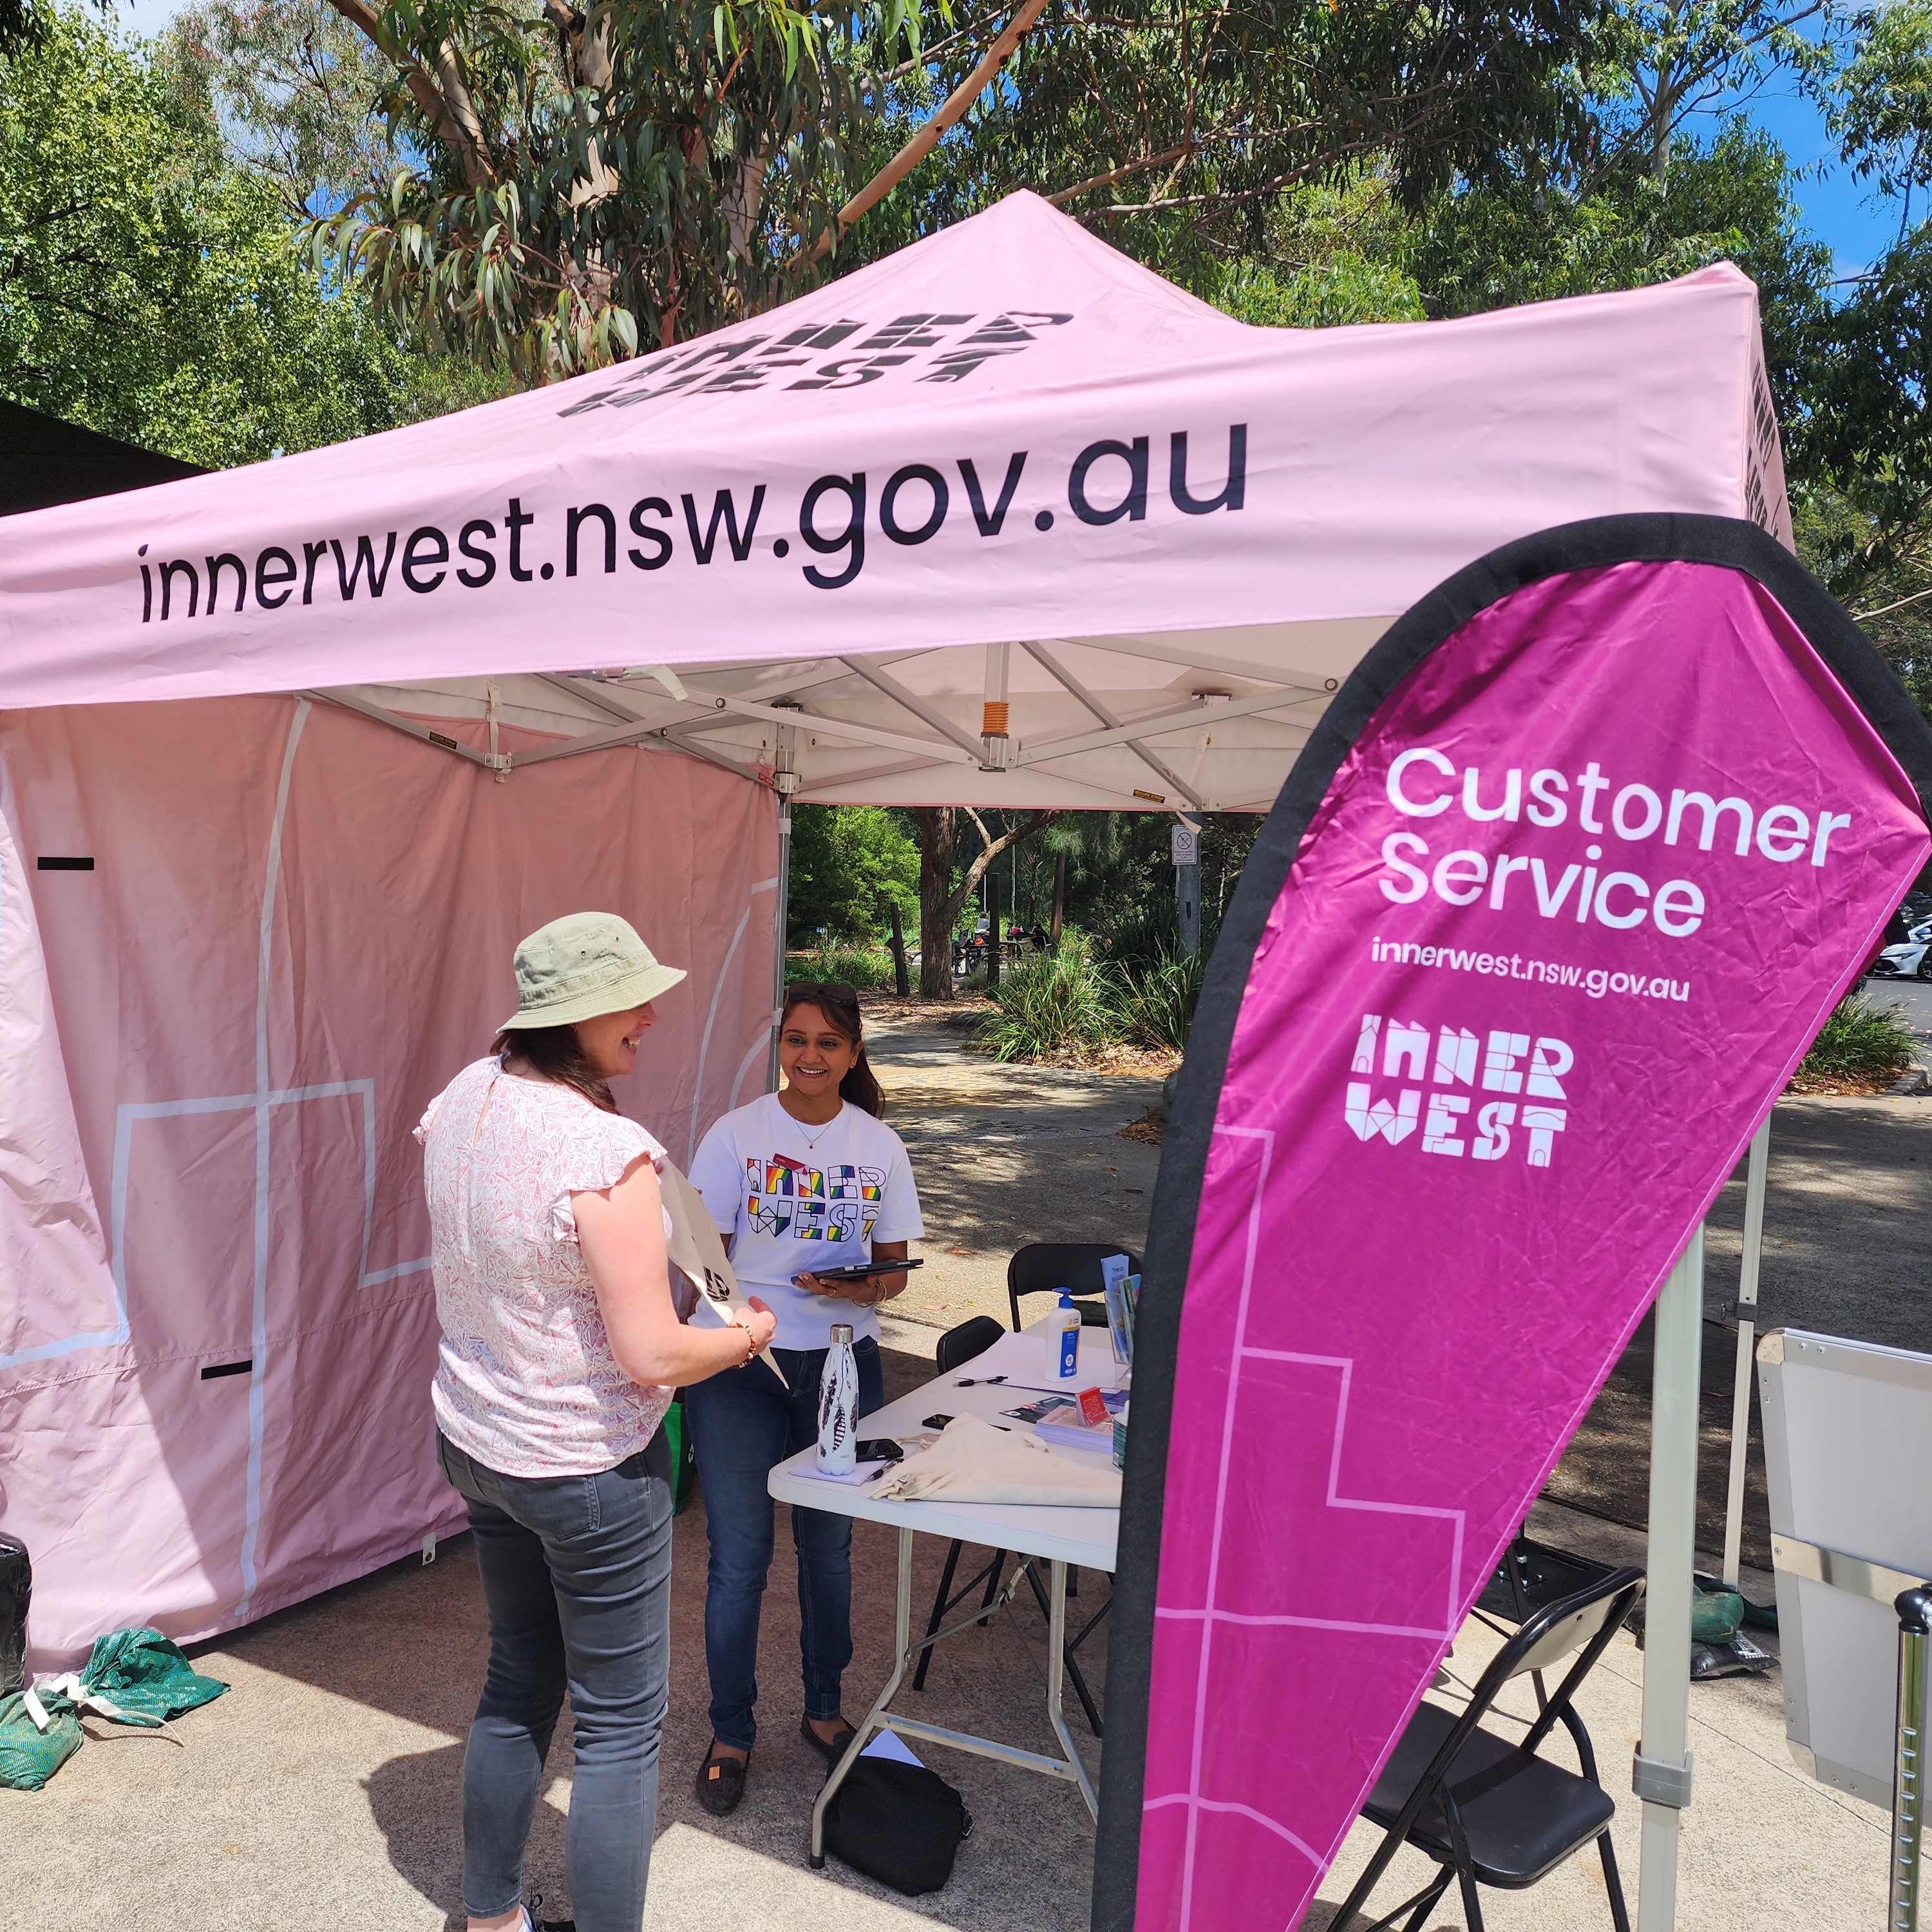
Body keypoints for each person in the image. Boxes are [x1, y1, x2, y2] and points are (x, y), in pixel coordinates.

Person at [418, 913, 779, 1932]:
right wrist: (749, 1334)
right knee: (622, 1732)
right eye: (631, 1000)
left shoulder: (462, 1096)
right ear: (574, 1016)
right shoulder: (605, 1149)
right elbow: (656, 1353)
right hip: (585, 1467)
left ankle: (490, 1919)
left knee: (518, 1679)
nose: (651, 1017)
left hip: (480, 1442)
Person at [682, 981, 925, 1815]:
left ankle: (825, 1714)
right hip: (740, 1369)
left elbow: (893, 1268)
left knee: (827, 1552)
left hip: (840, 1367)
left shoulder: (880, 1145)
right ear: (778, 1048)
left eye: (828, 1043)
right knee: (740, 1557)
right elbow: (701, 1254)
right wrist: (730, 1316)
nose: (810, 1056)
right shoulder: (735, 1136)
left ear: (854, 1054)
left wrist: (866, 1292)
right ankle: (730, 1732)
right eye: (796, 1040)